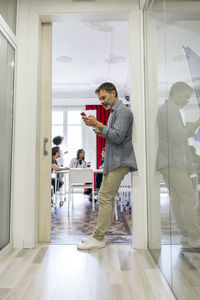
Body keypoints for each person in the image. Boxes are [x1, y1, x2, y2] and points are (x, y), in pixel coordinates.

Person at [77, 82, 137, 250]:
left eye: (103, 97)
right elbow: (113, 135)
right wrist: (96, 126)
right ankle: (99, 235)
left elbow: (117, 137)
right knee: (106, 198)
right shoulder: (113, 113)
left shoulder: (123, 112)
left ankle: (98, 237)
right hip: (114, 160)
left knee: (104, 197)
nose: (102, 101)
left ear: (113, 93)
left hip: (120, 161)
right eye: (100, 98)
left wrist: (98, 125)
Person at [157, 81, 200, 247]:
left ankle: (185, 234)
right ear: (176, 93)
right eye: (185, 96)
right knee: (188, 197)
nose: (187, 100)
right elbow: (177, 136)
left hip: (169, 162)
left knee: (177, 198)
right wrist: (195, 124)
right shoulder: (169, 110)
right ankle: (194, 236)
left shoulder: (168, 110)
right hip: (173, 161)